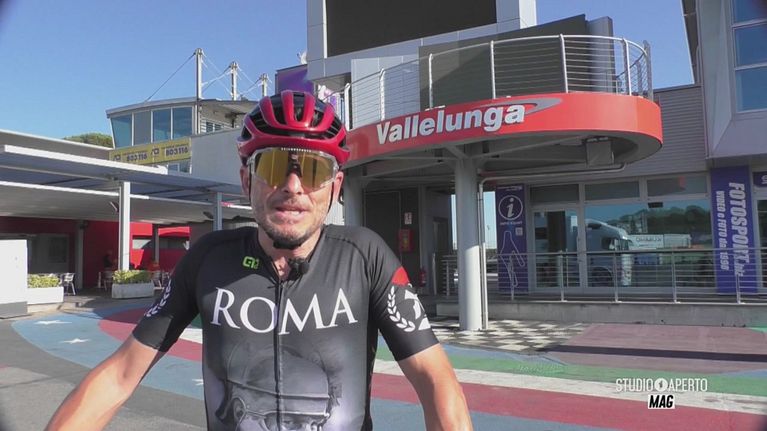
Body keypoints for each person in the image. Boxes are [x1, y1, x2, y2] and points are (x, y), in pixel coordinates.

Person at [46, 91, 472, 431]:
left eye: (312, 170)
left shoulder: (365, 257)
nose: (292, 186)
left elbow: (435, 380)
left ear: (336, 185)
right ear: (246, 178)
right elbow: (120, 374)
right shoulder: (207, 259)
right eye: (273, 166)